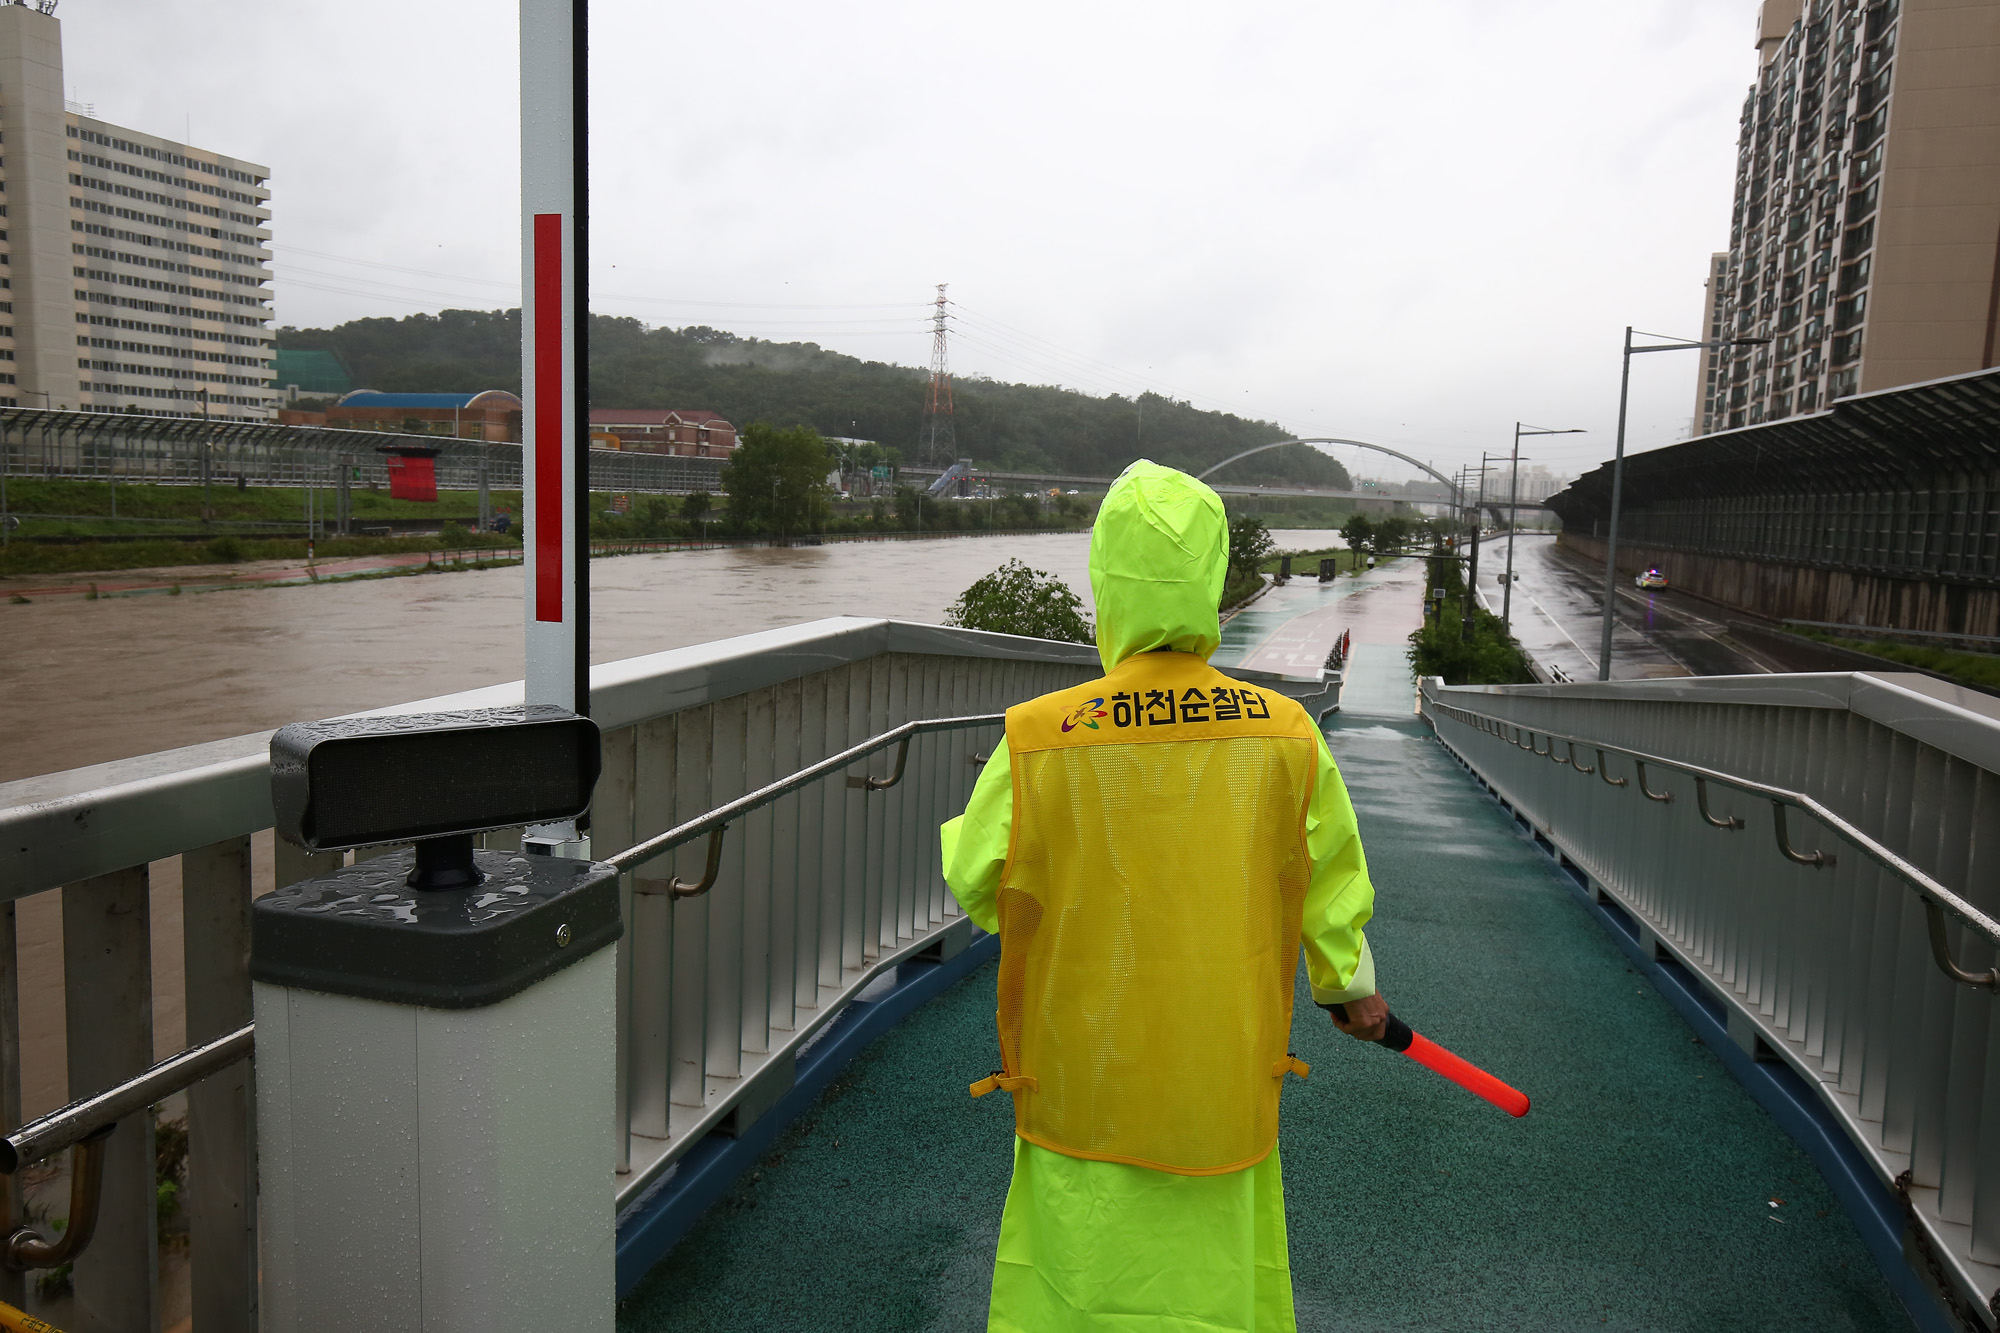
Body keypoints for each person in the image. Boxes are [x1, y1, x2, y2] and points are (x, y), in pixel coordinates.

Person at [941, 460, 1385, 1333]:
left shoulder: (1039, 736)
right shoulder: (1285, 733)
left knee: (1073, 1271)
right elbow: (1330, 881)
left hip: (1083, 1070)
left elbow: (981, 882)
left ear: (1108, 580)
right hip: (1218, 1077)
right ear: (1211, 579)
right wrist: (1348, 987)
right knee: (1217, 1276)